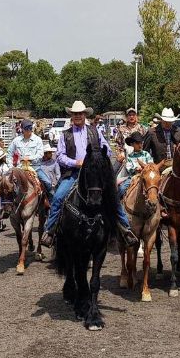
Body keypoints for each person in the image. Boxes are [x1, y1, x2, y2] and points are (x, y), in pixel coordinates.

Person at [41, 100, 138, 248]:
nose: (78, 116)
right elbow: (60, 156)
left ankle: (125, 229)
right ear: (72, 116)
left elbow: (106, 147)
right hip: (73, 173)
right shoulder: (65, 135)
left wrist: (98, 157)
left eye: (80, 113)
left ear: (85, 115)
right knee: (58, 198)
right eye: (75, 114)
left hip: (94, 174)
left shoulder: (94, 131)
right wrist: (76, 162)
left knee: (113, 197)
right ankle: (50, 231)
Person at [7, 119, 54, 199]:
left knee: (48, 182)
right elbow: (9, 153)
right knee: (6, 183)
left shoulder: (37, 140)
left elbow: (40, 154)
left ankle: (50, 203)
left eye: (30, 128)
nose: (28, 130)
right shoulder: (16, 140)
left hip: (35, 168)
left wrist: (30, 158)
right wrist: (11, 167)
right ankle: (7, 205)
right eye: (26, 128)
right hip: (20, 169)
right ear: (22, 129)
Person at [117, 131, 154, 199]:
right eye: (137, 143)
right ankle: (117, 206)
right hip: (133, 177)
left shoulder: (146, 154)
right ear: (132, 144)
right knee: (122, 189)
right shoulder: (130, 156)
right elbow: (129, 168)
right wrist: (136, 168)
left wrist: (146, 168)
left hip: (146, 177)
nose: (140, 145)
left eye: (141, 143)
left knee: (156, 188)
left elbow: (151, 165)